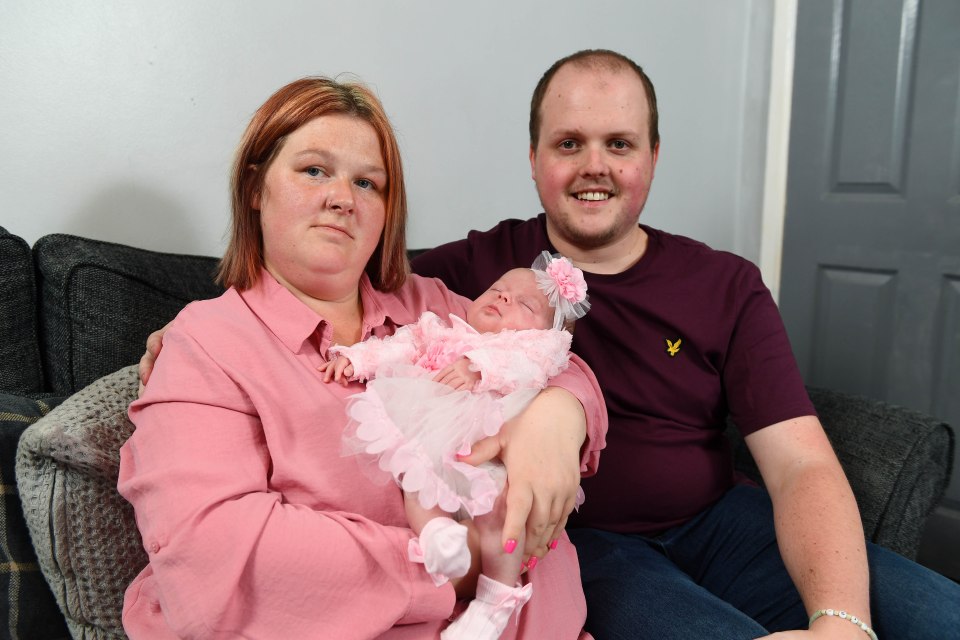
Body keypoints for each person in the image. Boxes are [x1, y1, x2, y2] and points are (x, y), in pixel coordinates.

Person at [140, 51, 960, 639]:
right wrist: (177, 336)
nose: (594, 166)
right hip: (591, 557)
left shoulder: (722, 283)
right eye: (569, 143)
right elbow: (303, 289)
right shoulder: (468, 272)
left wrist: (840, 620)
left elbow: (800, 464)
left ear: (652, 158)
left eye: (620, 143)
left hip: (712, 521)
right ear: (533, 161)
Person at [121, 76, 607, 639]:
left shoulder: (430, 303)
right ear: (255, 187)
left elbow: (546, 352)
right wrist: (463, 564)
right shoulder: (207, 344)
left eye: (368, 183)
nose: (342, 198)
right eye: (314, 170)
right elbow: (216, 551)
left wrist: (557, 417)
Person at [322, 252, 590, 640]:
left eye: (524, 304)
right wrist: (357, 359)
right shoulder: (443, 328)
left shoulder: (534, 349)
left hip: (491, 445)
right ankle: (436, 535)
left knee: (502, 511)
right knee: (416, 472)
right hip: (435, 429)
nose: (502, 298)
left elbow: (535, 365)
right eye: (497, 290)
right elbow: (401, 344)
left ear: (545, 332)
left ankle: (496, 597)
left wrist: (477, 364)